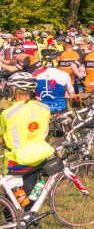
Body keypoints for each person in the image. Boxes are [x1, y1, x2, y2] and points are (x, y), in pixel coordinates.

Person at [0, 72, 52, 206]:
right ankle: (30, 217)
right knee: (30, 194)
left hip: (15, 161)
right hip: (37, 158)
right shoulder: (44, 108)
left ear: (15, 90)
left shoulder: (7, 114)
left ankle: (11, 224)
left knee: (12, 200)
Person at [35, 48, 75, 113]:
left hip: (42, 109)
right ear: (56, 59)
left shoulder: (35, 75)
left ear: (42, 60)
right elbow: (72, 95)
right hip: (60, 109)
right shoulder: (64, 74)